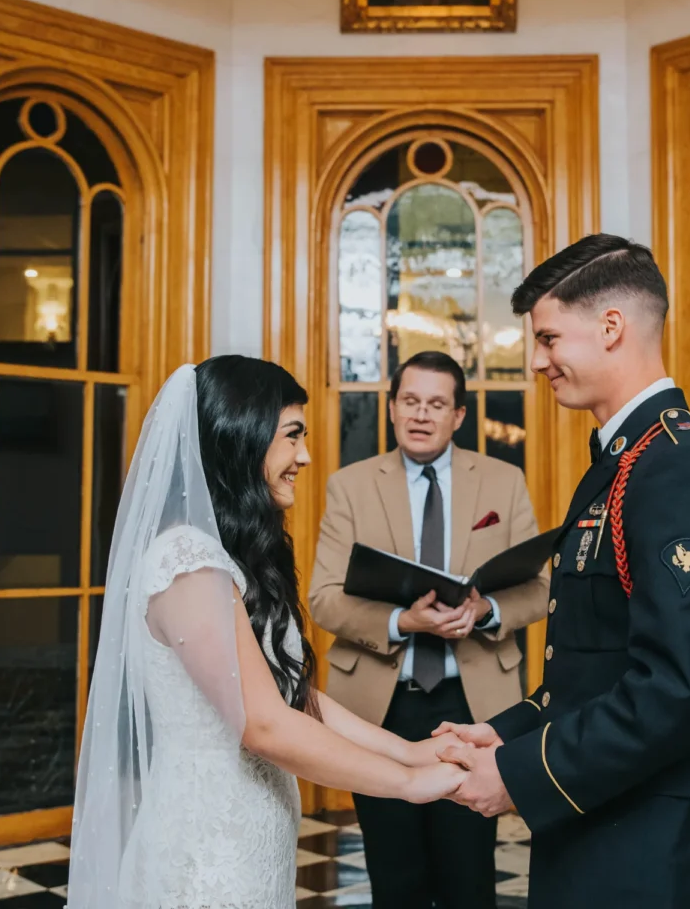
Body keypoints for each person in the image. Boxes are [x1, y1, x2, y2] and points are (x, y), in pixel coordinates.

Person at [436, 235, 690, 907]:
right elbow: (596, 667)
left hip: (658, 855)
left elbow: (676, 690)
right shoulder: (624, 462)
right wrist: (507, 732)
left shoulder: (682, 466)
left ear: (611, 326)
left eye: (549, 338)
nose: (537, 361)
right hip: (601, 826)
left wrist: (519, 775)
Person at [68, 355, 468, 908]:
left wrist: (409, 753)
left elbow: (292, 697)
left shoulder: (226, 556)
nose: (304, 456)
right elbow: (265, 725)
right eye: (292, 437)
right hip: (208, 849)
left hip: (252, 836)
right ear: (243, 438)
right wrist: (406, 785)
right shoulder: (187, 563)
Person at [309, 351, 548, 909]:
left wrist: (485, 610)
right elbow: (322, 598)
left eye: (436, 404)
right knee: (395, 877)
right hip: (380, 705)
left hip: (476, 708)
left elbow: (538, 588)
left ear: (459, 415)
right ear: (392, 408)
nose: (421, 414)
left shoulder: (504, 481)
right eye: (410, 402)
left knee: (469, 876)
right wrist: (400, 621)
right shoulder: (350, 485)